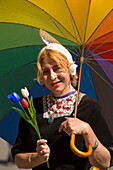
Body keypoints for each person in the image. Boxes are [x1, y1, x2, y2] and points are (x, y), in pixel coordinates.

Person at [11, 31, 113, 170]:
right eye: (45, 72)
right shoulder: (34, 107)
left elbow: (105, 163)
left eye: (57, 68)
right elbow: (18, 159)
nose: (52, 76)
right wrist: (38, 158)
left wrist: (87, 130)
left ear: (70, 70)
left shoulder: (89, 106)